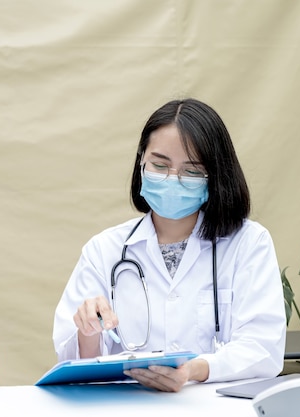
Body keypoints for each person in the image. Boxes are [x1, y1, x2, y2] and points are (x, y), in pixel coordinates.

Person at [53, 98, 286, 392]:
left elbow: (263, 348)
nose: (172, 179)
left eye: (190, 171)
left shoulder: (249, 243)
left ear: (215, 177)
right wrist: (88, 330)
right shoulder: (104, 250)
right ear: (141, 163)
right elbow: (73, 364)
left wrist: (194, 370)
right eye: (160, 165)